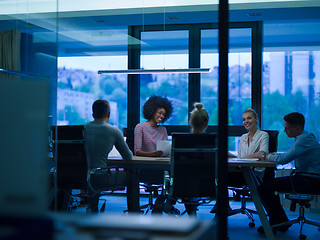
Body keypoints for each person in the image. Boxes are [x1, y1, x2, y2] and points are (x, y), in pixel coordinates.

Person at [257, 112, 320, 234]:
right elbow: (287, 155)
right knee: (267, 185)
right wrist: (272, 156)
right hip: (309, 178)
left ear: (297, 128)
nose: (284, 131)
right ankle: (279, 221)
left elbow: (284, 159)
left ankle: (278, 223)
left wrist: (265, 156)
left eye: (287, 128)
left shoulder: (303, 139)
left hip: (309, 181)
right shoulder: (305, 138)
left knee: (264, 187)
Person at [84, 99, 133, 213]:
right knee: (132, 177)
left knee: (92, 178)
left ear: (93, 114)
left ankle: (91, 207)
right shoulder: (113, 130)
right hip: (100, 177)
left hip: (80, 176)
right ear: (109, 114)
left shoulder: (82, 129)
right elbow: (128, 157)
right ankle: (133, 212)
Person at [183, 102, 210, 216]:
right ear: (206, 124)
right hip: (208, 185)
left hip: (184, 187)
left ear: (191, 122)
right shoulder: (211, 142)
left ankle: (191, 214)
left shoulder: (182, 142)